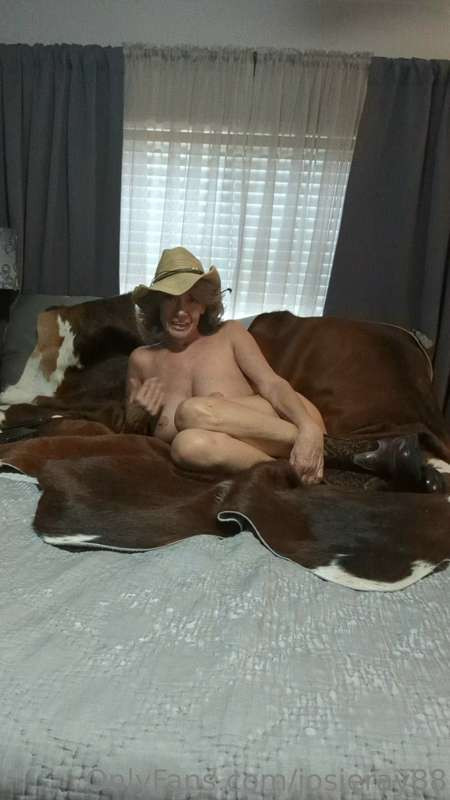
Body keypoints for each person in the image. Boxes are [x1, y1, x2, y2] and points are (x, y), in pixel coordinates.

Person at [126, 246, 326, 484]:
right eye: (170, 299)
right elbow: (131, 435)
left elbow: (272, 384)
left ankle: (323, 445)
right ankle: (286, 475)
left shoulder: (230, 334)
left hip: (292, 419)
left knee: (190, 411)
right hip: (227, 451)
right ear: (157, 305)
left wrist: (308, 428)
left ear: (204, 305)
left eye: (192, 299)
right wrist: (136, 416)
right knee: (186, 445)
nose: (181, 311)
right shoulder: (142, 360)